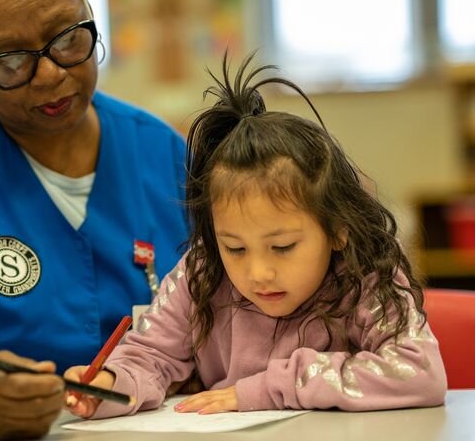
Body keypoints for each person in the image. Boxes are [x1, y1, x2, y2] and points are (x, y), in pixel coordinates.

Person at [65, 52, 447, 420]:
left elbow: (418, 371)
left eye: (282, 247)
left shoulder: (365, 273)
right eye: (235, 247)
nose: (259, 271)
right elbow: (149, 357)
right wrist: (108, 387)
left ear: (337, 230)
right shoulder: (202, 272)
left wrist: (271, 387)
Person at [0, 0, 188, 438]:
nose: (48, 76)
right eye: (10, 60)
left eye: (67, 38)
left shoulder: (163, 155)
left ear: (89, 6)